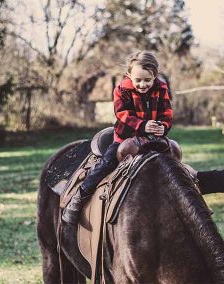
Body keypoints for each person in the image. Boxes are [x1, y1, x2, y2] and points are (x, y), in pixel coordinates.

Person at [62, 51, 173, 225]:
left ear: (155, 76)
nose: (142, 84)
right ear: (129, 75)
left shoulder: (161, 89)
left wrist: (163, 126)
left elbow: (167, 112)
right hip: (125, 137)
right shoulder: (122, 90)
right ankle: (79, 197)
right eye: (138, 80)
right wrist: (142, 125)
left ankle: (185, 200)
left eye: (147, 80)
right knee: (106, 164)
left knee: (174, 160)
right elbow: (122, 114)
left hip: (152, 139)